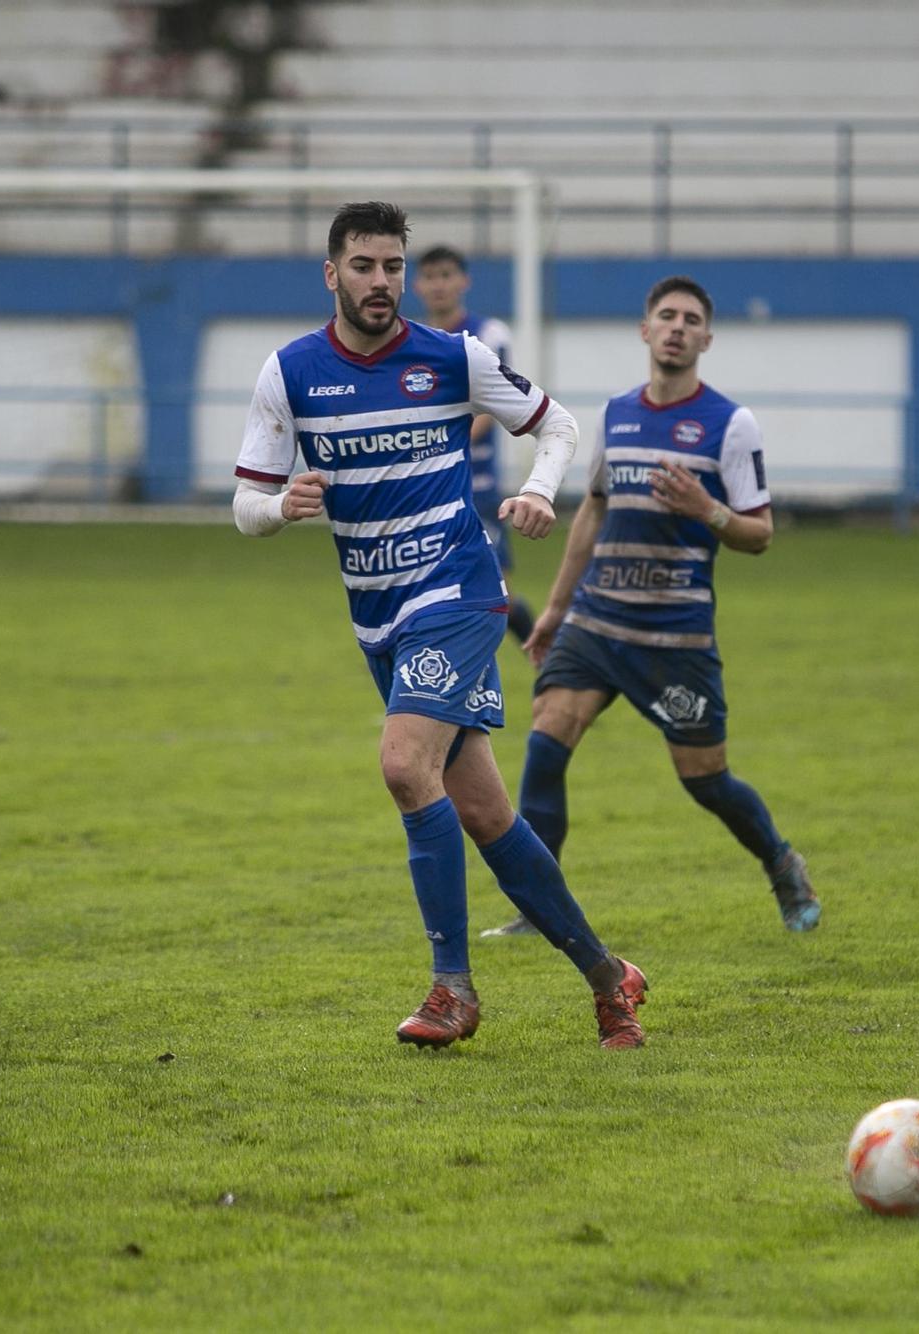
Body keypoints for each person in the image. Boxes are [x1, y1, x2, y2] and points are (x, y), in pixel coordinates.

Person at [232, 202, 648, 1050]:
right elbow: (244, 504)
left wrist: (537, 491)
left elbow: (559, 426)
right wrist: (281, 505)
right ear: (332, 274)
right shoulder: (290, 373)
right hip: (378, 615)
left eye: (392, 266)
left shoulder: (452, 358)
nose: (381, 282)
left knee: (401, 764)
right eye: (364, 266)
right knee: (486, 814)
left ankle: (452, 989)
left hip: (458, 593)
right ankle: (611, 979)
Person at [482, 275, 821, 940]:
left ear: (706, 339)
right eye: (666, 316)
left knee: (706, 780)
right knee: (547, 744)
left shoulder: (730, 424)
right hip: (598, 621)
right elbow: (594, 513)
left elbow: (760, 534)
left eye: (690, 320)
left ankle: (781, 862)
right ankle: (539, 909)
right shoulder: (618, 414)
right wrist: (554, 609)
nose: (676, 327)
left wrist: (708, 509)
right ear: (645, 330)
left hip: (674, 636)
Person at [413, 244, 533, 644]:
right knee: (430, 587)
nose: (439, 285)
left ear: (464, 281)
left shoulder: (487, 334)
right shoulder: (412, 341)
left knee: (497, 593)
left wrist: (434, 443)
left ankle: (544, 650)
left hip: (476, 486)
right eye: (430, 276)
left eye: (447, 275)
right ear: (417, 285)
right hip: (427, 488)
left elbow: (492, 409)